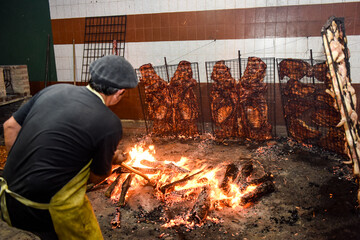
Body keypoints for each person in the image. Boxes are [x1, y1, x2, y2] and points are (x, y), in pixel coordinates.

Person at [0, 55, 138, 239]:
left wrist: (25, 168)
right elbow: (97, 176)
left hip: (8, 200)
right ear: (120, 92)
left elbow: (9, 126)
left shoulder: (53, 90)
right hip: (46, 211)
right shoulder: (109, 123)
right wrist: (109, 161)